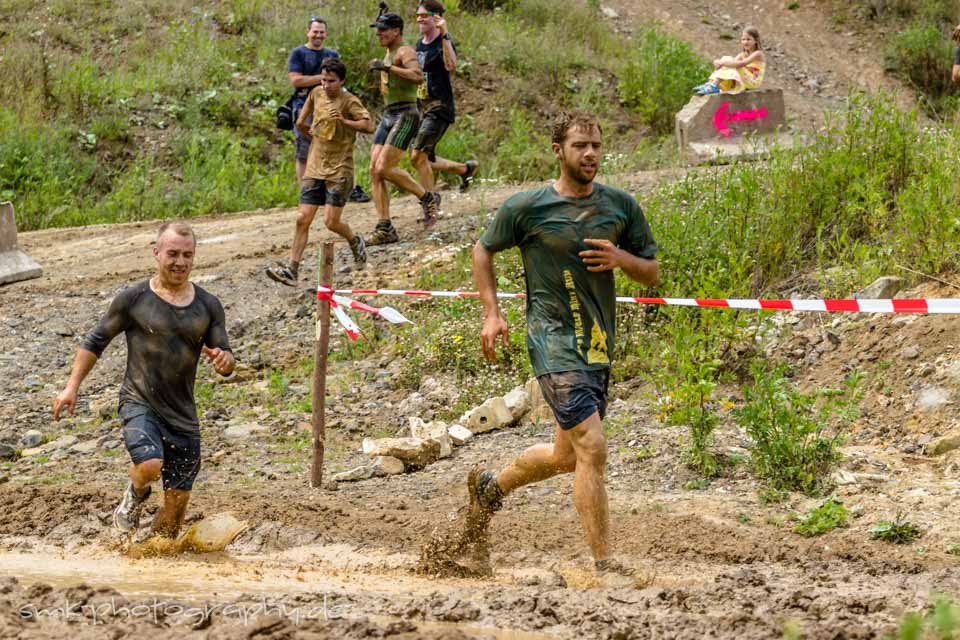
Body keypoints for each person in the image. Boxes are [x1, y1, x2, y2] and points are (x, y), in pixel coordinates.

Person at [469, 111, 659, 586]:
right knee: (593, 448)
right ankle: (604, 565)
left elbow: (651, 272)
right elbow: (482, 250)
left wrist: (622, 259)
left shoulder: (621, 206)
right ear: (559, 150)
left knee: (566, 457)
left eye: (596, 145)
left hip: (596, 345)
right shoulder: (527, 207)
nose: (590, 154)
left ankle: (491, 490)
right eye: (580, 146)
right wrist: (492, 312)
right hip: (550, 340)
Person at [52, 222, 235, 538]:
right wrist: (72, 387)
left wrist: (224, 361)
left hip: (183, 414)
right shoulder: (133, 298)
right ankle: (134, 495)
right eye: (173, 253)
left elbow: (226, 357)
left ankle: (152, 554)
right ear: (157, 253)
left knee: (175, 512)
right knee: (150, 464)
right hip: (140, 401)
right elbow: (96, 341)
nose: (180, 262)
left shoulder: (208, 305)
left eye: (187, 255)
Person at [267, 59, 375, 286]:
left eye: (331, 81)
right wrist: (314, 137)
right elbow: (301, 122)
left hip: (340, 169)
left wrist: (345, 121)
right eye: (324, 79)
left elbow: (369, 125)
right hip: (316, 166)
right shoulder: (316, 93)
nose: (326, 85)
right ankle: (292, 270)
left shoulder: (349, 101)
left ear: (342, 81)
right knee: (302, 218)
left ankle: (355, 240)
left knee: (331, 222)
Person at [367, 12, 441, 245]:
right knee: (374, 170)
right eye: (377, 29)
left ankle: (426, 197)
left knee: (384, 167)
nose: (379, 33)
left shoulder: (405, 51)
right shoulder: (389, 52)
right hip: (389, 114)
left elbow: (417, 76)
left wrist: (388, 69)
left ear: (396, 31)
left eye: (383, 30)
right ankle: (384, 226)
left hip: (406, 113)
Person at [288, 17, 371, 203]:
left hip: (333, 105)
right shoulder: (298, 53)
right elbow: (296, 80)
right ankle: (306, 193)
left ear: (326, 33)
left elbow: (340, 75)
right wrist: (324, 78)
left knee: (339, 146)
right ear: (308, 32)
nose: (318, 35)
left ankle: (345, 188)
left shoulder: (331, 53)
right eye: (315, 31)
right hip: (305, 105)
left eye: (321, 32)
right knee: (303, 152)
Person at [410, 0, 479, 194]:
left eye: (424, 15)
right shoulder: (419, 44)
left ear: (436, 17)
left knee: (417, 156)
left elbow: (451, 66)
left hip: (439, 107)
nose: (420, 19)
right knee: (426, 158)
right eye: (418, 15)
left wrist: (445, 33)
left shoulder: (443, 42)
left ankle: (430, 203)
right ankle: (465, 169)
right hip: (422, 106)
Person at [693, 26, 765, 95]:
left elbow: (742, 63)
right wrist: (719, 63)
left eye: (748, 39)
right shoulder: (742, 54)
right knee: (727, 61)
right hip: (746, 79)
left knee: (728, 60)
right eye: (743, 39)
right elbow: (731, 65)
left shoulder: (758, 54)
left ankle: (713, 85)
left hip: (753, 82)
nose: (745, 42)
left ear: (755, 40)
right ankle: (712, 83)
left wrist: (723, 62)